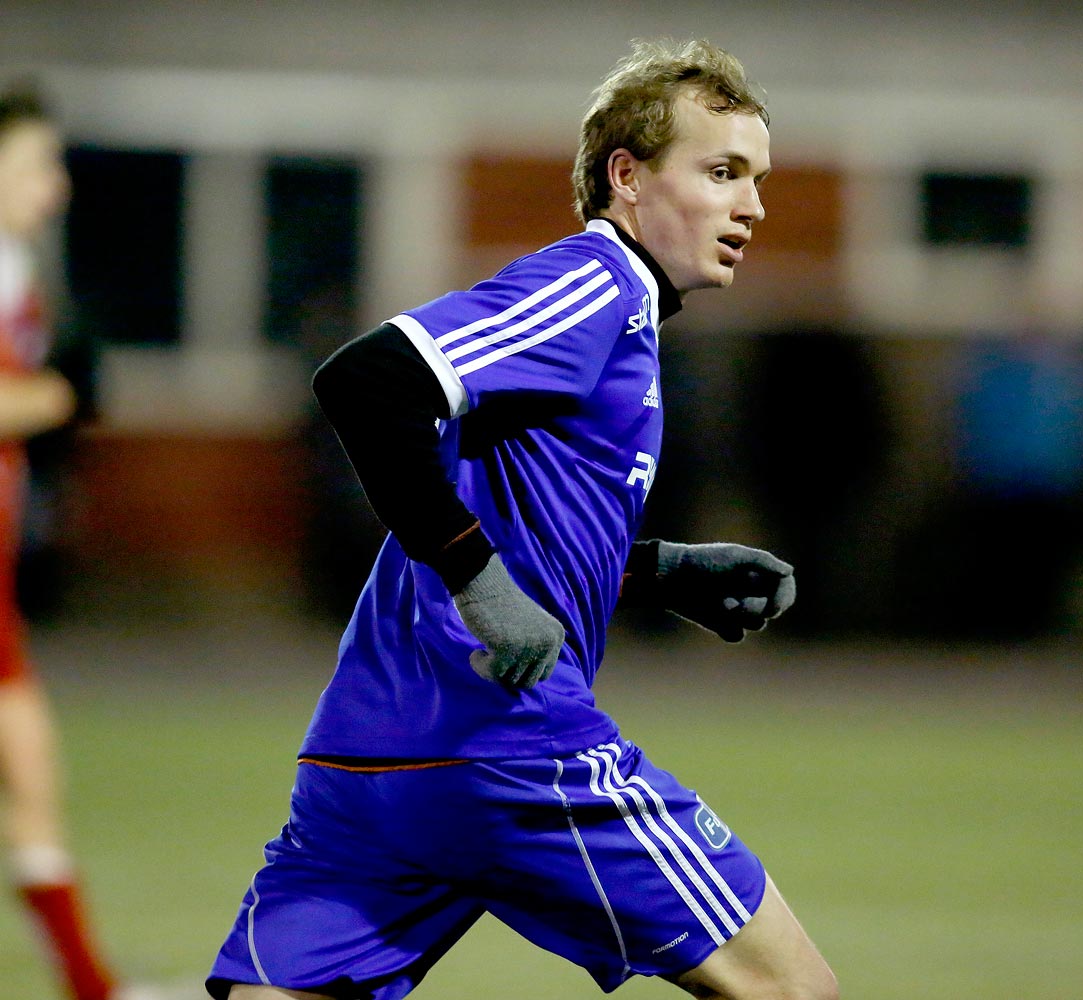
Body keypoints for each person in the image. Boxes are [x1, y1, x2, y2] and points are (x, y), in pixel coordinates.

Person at [207, 38, 837, 1000]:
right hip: (507, 748)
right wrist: (478, 582)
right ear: (626, 177)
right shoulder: (593, 284)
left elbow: (510, 515)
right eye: (720, 172)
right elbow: (367, 382)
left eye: (756, 178)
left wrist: (658, 568)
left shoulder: (612, 322)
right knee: (795, 991)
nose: (750, 205)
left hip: (366, 760)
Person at [2, 80, 174, 1000]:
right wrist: (61, 398)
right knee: (30, 770)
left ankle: (89, 985)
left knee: (32, 777)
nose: (54, 187)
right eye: (34, 165)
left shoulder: (19, 273)